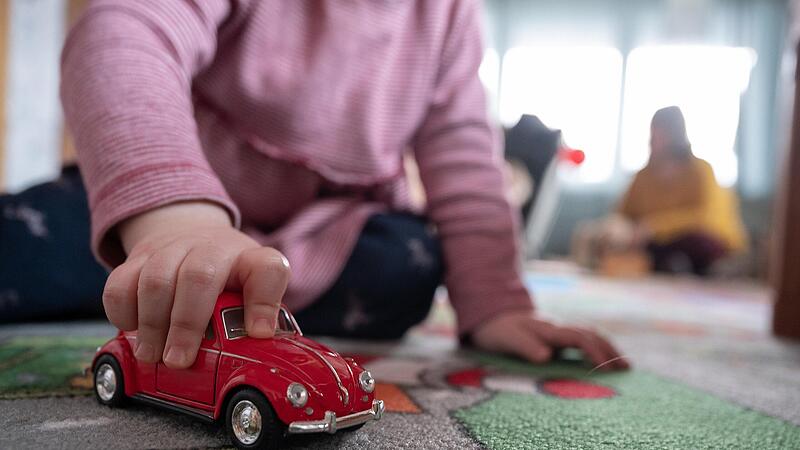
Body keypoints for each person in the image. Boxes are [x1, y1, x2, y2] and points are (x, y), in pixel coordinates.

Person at [60, 0, 627, 371]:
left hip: (323, 233)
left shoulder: (448, 15)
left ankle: (199, 292)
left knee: (409, 261)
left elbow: (466, 163)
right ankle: (154, 276)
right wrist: (175, 215)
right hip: (166, 213)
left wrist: (496, 303)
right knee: (53, 233)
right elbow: (124, 34)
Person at [617, 106, 747, 275]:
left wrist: (654, 227)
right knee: (647, 246)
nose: (656, 137)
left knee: (698, 243)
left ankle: (706, 267)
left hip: (708, 240)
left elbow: (703, 216)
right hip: (659, 243)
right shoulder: (643, 175)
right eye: (654, 131)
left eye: (662, 132)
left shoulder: (700, 170)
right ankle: (672, 264)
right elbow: (623, 214)